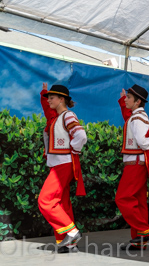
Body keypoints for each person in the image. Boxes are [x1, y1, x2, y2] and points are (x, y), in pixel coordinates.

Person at [38, 83, 87, 253]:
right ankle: (68, 243)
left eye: (52, 97)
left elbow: (81, 135)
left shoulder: (67, 116)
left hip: (63, 164)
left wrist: (73, 150)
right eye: (48, 97)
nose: (49, 100)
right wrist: (44, 92)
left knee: (45, 200)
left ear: (61, 99)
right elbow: (47, 109)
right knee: (62, 203)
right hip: (59, 164)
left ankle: (71, 232)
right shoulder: (57, 117)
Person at [116, 84, 149, 251]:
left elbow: (143, 141)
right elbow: (128, 115)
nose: (126, 100)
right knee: (139, 202)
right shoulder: (136, 115)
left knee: (122, 198)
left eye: (128, 98)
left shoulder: (138, 118)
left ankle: (143, 230)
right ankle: (139, 241)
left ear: (138, 101)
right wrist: (122, 100)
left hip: (135, 164)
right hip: (138, 163)